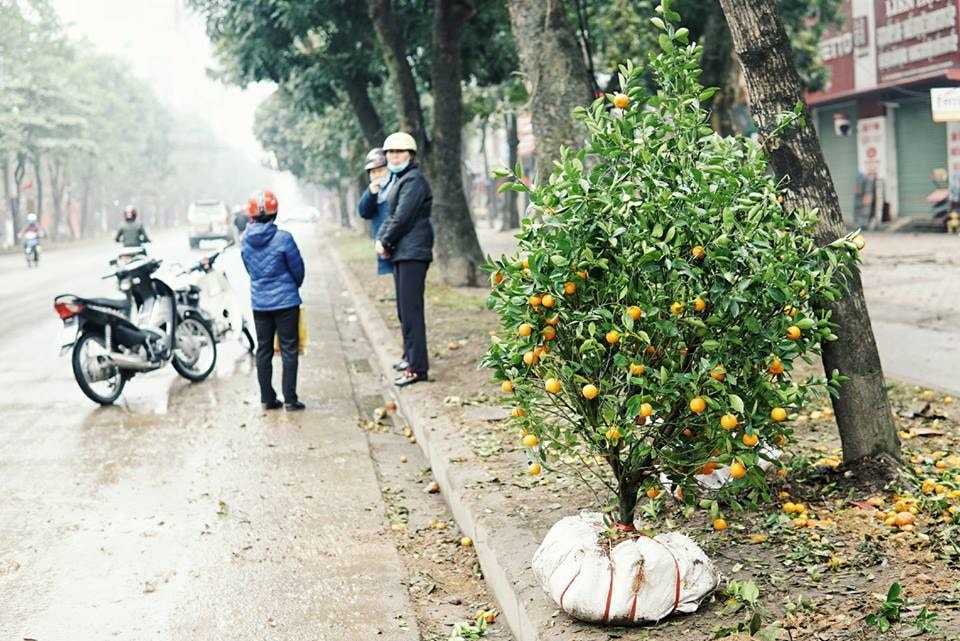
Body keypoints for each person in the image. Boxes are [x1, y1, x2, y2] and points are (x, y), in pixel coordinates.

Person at [375, 132, 434, 387]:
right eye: (390, 153)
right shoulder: (401, 180)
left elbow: (402, 216)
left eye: (399, 152)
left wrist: (385, 240)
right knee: (403, 310)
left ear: (410, 155)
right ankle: (409, 357)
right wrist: (383, 240)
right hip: (404, 251)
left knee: (411, 312)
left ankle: (418, 368)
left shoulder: (414, 181)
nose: (394, 157)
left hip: (413, 252)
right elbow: (391, 216)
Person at [240, 190, 306, 411]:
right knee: (289, 350)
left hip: (260, 303)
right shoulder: (284, 238)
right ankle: (290, 399)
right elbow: (298, 270)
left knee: (264, 350)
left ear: (251, 216)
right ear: (275, 212)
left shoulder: (245, 241)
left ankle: (267, 398)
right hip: (286, 303)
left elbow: (250, 269)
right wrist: (291, 287)